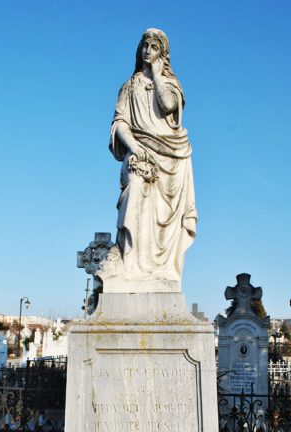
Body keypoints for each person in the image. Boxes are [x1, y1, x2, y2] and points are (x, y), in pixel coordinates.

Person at [108, 28, 197, 284]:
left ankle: (161, 272)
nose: (148, 50)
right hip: (139, 153)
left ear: (163, 54)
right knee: (135, 195)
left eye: (154, 47)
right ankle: (130, 267)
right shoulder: (129, 86)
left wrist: (158, 77)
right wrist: (135, 147)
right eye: (145, 45)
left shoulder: (170, 84)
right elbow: (120, 122)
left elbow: (169, 105)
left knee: (164, 222)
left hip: (172, 156)